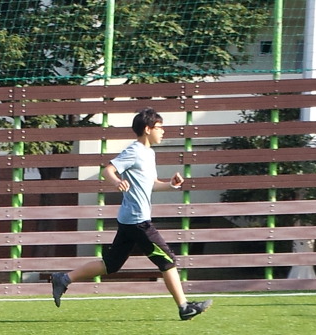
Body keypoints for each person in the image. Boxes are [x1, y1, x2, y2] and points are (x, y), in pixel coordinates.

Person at [50, 108, 213, 321]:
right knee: (167, 260)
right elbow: (107, 170)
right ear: (147, 129)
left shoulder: (149, 153)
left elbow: (151, 184)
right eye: (159, 127)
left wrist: (170, 185)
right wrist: (117, 182)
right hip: (138, 221)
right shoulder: (134, 151)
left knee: (111, 264)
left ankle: (63, 279)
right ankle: (184, 307)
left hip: (130, 219)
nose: (163, 131)